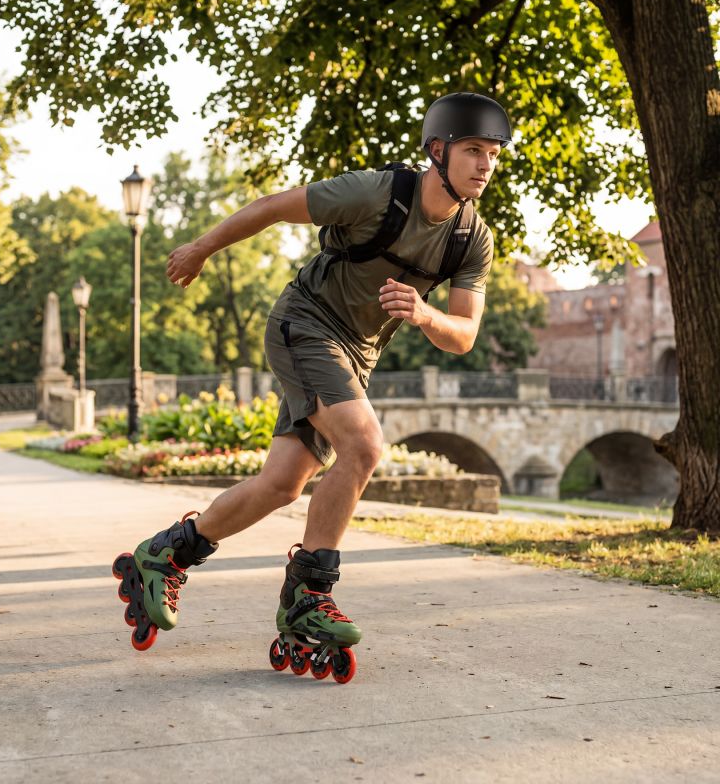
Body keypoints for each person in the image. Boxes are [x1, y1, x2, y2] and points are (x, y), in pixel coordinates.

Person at [112, 92, 511, 683]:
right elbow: (274, 207)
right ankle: (309, 595)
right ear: (437, 150)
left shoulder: (472, 238)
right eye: (473, 150)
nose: (485, 165)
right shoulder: (376, 193)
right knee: (364, 445)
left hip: (356, 354)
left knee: (281, 484)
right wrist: (199, 249)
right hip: (305, 324)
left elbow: (465, 335)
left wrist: (426, 314)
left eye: (494, 154)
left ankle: (168, 552)